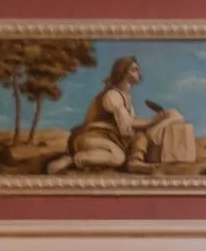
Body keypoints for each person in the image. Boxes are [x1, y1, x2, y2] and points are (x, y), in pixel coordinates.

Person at [45, 56, 187, 175]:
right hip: (91, 138)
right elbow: (126, 125)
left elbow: (132, 122)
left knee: (140, 134)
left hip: (108, 139)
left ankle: (134, 161)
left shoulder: (126, 97)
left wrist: (157, 120)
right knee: (118, 158)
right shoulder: (112, 95)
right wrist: (155, 120)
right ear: (123, 73)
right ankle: (72, 160)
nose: (139, 73)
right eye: (134, 69)